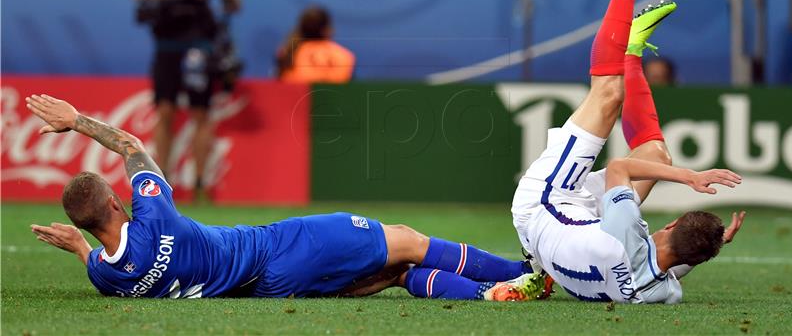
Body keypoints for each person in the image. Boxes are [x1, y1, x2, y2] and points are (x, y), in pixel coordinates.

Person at [26, 94, 548, 301]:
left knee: (393, 273)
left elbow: (95, 256)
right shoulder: (154, 217)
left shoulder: (108, 276)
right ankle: (519, 273)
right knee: (406, 241)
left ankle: (488, 295)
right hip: (276, 248)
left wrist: (78, 246)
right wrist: (77, 123)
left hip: (272, 288)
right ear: (118, 203)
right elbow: (130, 144)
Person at [511, 0, 746, 303]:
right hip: (572, 231)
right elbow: (671, 261)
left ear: (669, 224)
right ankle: (633, 50)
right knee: (655, 158)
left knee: (607, 96)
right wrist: (711, 245)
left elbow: (620, 167)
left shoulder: (624, 233)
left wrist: (690, 177)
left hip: (544, 204)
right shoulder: (663, 293)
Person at [129, 0, 240, 199]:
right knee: (165, 110)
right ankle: (162, 182)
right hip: (166, 42)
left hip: (200, 44)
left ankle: (201, 184)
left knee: (200, 113)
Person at [276, 6, 356, 84]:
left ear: (301, 28)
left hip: (295, 96)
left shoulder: (287, 53)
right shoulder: (345, 55)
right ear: (327, 29)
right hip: (336, 96)